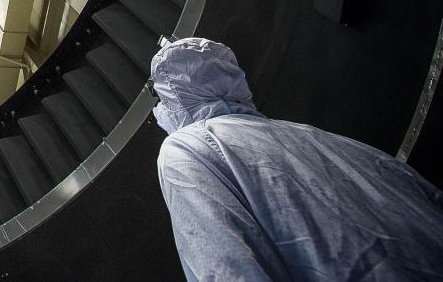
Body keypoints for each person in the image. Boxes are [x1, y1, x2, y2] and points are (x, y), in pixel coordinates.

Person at [150, 37, 443, 281]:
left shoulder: (187, 146)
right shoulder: (315, 136)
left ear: (174, 95)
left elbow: (225, 266)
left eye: (159, 96)